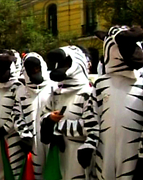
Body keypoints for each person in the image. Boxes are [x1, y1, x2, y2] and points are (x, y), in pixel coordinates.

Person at [93, 25, 143, 180]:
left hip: (135, 154)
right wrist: (90, 144)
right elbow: (93, 118)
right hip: (105, 154)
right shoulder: (101, 83)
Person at [40, 45, 99, 179]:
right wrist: (49, 119)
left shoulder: (88, 93)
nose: (61, 67)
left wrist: (59, 127)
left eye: (66, 63)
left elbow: (92, 127)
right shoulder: (56, 93)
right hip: (58, 152)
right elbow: (43, 115)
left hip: (78, 151)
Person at [13, 52, 57, 179]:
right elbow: (16, 114)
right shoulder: (21, 91)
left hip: (51, 139)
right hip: (32, 142)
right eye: (30, 69)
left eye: (37, 67)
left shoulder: (53, 87)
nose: (34, 71)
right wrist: (24, 134)